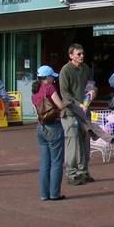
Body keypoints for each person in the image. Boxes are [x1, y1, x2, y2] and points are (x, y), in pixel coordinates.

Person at [60, 44, 94, 186]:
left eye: (82, 53)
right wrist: (77, 103)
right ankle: (71, 173)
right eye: (78, 54)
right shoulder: (65, 70)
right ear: (71, 55)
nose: (81, 56)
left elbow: (91, 83)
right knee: (72, 142)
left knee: (84, 141)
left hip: (84, 112)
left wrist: (92, 91)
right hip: (70, 112)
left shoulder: (85, 68)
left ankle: (83, 171)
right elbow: (65, 93)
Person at [31, 65, 67, 201]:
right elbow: (60, 106)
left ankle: (44, 194)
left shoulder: (34, 91)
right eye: (51, 76)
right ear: (46, 77)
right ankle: (54, 193)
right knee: (57, 162)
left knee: (45, 162)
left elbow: (36, 111)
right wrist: (68, 102)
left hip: (40, 126)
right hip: (53, 126)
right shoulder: (50, 88)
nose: (53, 79)